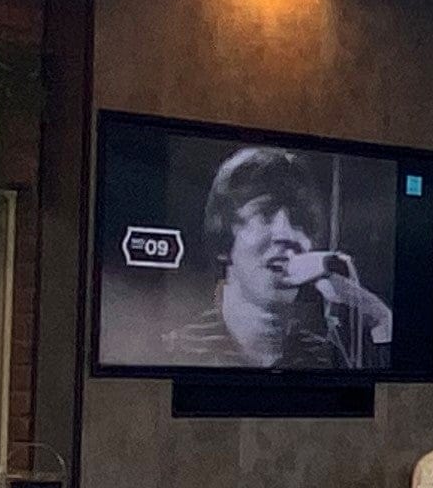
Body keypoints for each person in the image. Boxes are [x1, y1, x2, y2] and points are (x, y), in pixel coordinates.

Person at [166, 145, 391, 371]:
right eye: (264, 214)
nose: (287, 235)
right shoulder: (175, 352)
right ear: (224, 234)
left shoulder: (326, 358)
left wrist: (378, 315)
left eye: (299, 220)